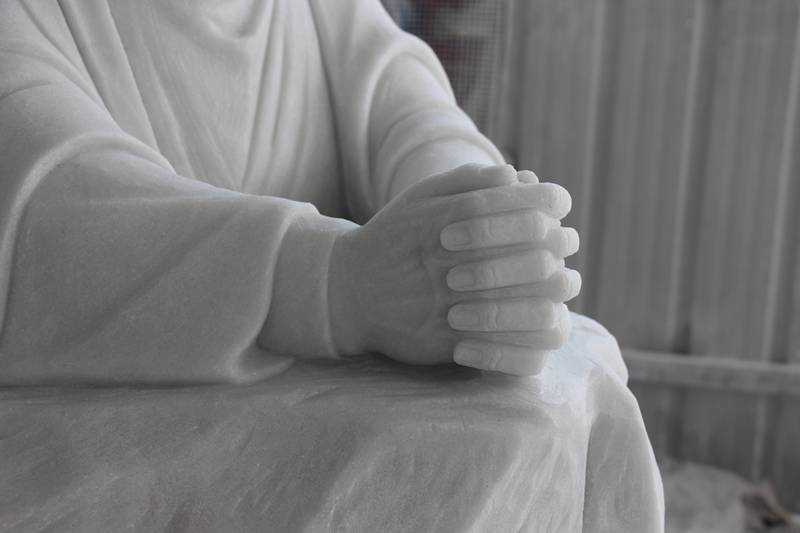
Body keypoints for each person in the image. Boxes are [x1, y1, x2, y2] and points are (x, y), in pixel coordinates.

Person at [0, 0, 579, 383]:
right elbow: (46, 207)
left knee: (578, 389)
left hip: (339, 372)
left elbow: (412, 112)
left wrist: (469, 227)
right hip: (134, 407)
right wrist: (331, 283)